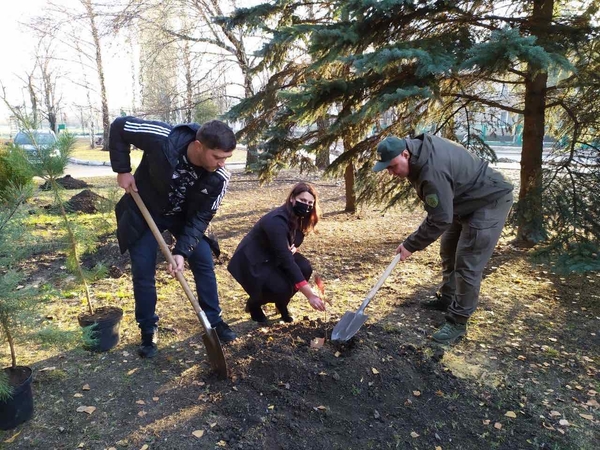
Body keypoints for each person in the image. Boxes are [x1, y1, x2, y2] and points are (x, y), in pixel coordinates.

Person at [109, 116, 238, 358]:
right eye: (217, 157)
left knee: (203, 262)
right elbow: (119, 126)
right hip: (145, 209)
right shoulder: (163, 138)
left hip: (185, 218)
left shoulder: (219, 178)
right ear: (199, 146)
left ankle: (214, 320)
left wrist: (181, 251)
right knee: (143, 270)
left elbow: (201, 219)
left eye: (226, 159)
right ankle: (148, 329)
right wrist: (122, 170)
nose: (222, 164)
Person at [373, 134, 514, 344]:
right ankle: (448, 298)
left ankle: (458, 321)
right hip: (464, 200)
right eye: (387, 169)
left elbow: (439, 219)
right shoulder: (418, 153)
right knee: (448, 250)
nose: (392, 173)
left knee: (467, 262)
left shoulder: (431, 171)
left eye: (393, 166)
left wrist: (411, 244)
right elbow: (440, 213)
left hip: (488, 200)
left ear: (405, 154)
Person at [227, 182, 326, 323]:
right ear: (292, 198)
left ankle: (281, 303)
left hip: (273, 256)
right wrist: (310, 294)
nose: (306, 205)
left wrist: (293, 247)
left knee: (305, 267)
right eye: (302, 200)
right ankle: (254, 304)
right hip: (253, 260)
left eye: (310, 203)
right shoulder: (276, 221)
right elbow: (286, 260)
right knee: (280, 287)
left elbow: (291, 244)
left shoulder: (299, 218)